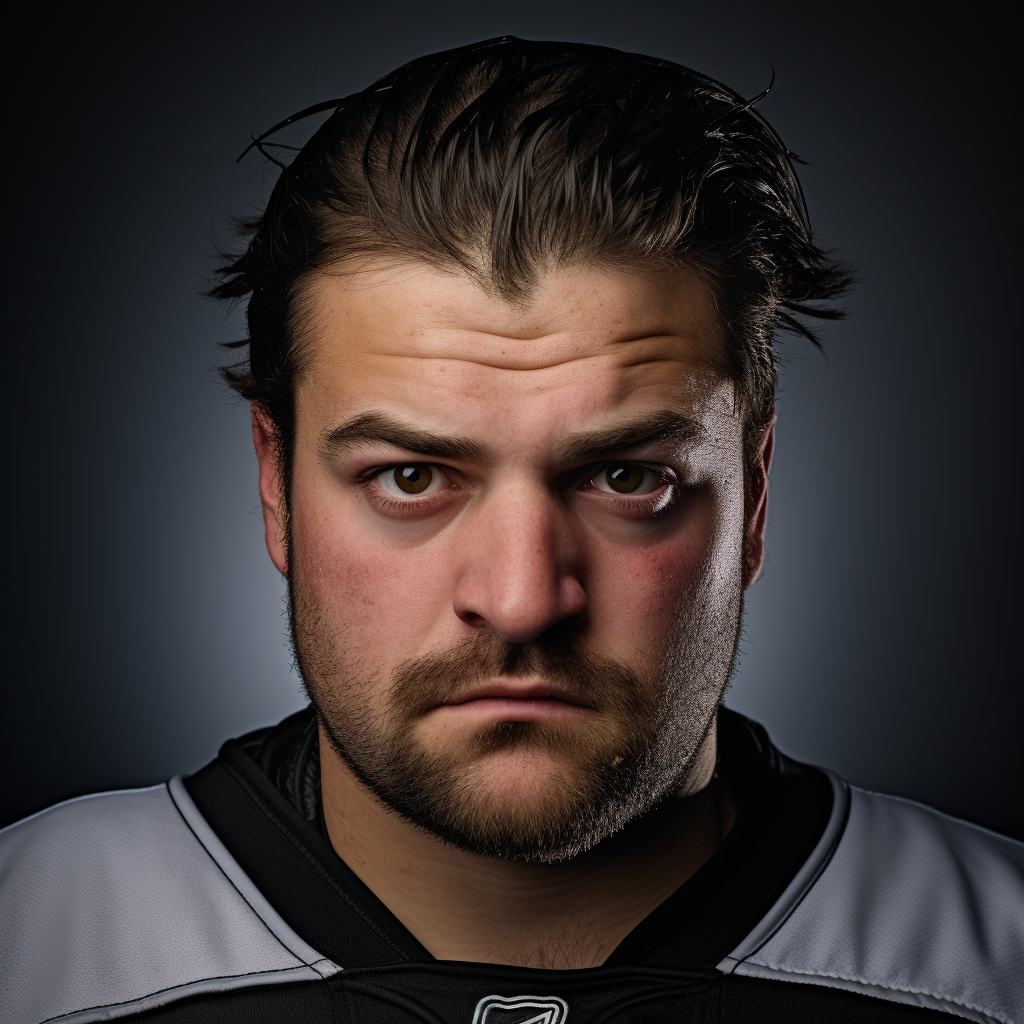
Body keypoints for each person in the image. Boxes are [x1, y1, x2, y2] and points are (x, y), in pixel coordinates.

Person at [1, 36, 1020, 1024]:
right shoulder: (33, 942)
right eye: (411, 476)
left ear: (753, 492)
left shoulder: (994, 958)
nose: (525, 598)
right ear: (275, 484)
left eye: (627, 477)